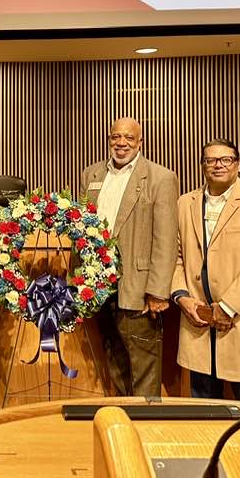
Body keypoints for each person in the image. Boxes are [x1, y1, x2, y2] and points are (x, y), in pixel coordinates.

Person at [171, 139, 240, 402]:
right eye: (210, 160)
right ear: (202, 166)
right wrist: (182, 296)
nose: (218, 165)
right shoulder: (185, 203)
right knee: (203, 412)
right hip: (196, 319)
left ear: (238, 164)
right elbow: (174, 257)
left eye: (226, 160)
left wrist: (228, 306)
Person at [80, 117, 178, 396]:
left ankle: (146, 430)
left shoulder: (161, 178)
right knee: (114, 359)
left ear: (140, 142)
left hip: (138, 288)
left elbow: (166, 240)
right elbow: (82, 227)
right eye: (115, 137)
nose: (121, 143)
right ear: (109, 140)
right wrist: (81, 283)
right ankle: (124, 425)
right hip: (101, 289)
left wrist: (158, 291)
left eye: (129, 138)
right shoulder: (91, 175)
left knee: (143, 364)